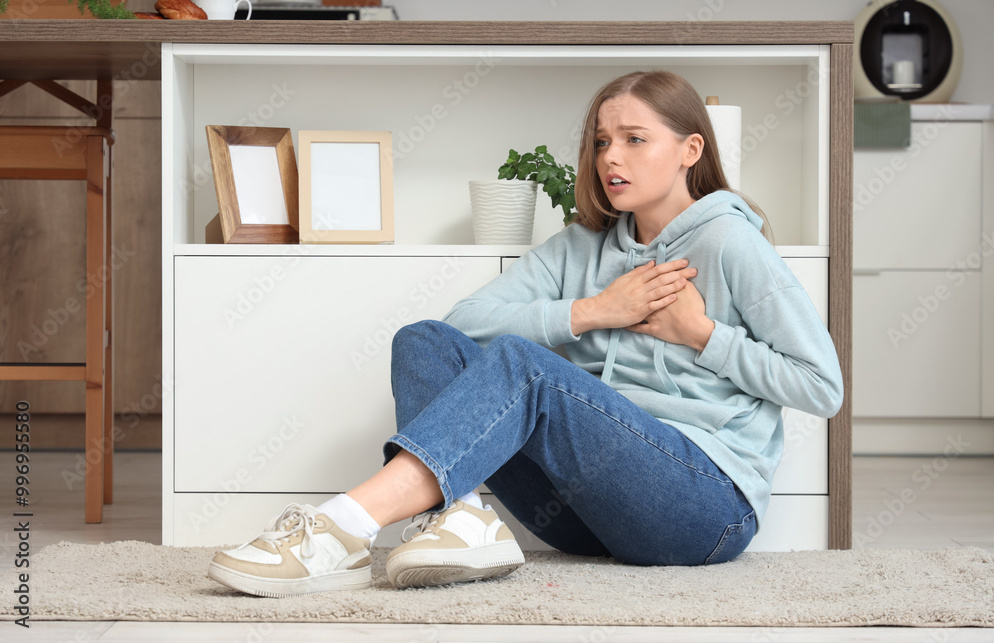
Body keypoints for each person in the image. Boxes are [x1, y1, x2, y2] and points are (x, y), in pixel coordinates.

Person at [207, 71, 844, 597]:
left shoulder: (730, 240)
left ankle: (341, 528)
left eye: (634, 139)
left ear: (690, 150)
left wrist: (703, 334)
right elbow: (464, 325)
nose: (611, 157)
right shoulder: (581, 247)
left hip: (703, 509)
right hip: (589, 518)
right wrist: (593, 311)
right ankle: (456, 522)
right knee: (424, 340)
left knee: (523, 364)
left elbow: (822, 387)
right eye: (601, 142)